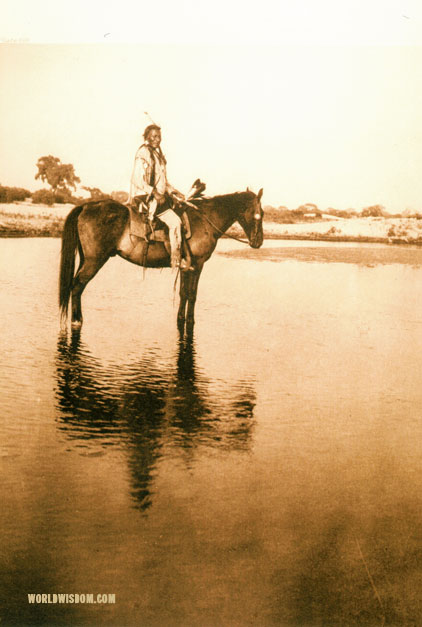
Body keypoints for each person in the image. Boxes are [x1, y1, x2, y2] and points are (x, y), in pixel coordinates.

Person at [129, 124, 190, 270]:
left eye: (159, 137)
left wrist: (174, 191)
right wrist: (154, 193)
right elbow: (136, 179)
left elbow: (163, 182)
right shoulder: (143, 153)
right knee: (175, 222)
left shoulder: (158, 155)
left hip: (159, 196)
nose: (157, 139)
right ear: (147, 137)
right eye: (154, 136)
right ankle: (176, 260)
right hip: (145, 197)